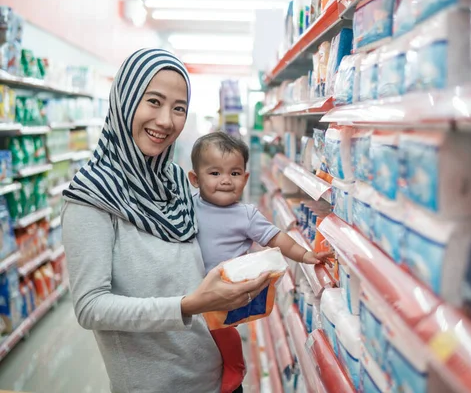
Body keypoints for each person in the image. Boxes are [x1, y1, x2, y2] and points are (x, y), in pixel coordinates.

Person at [61, 48, 270, 393]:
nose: (166, 121)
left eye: (178, 108)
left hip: (219, 378)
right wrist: (187, 306)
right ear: (124, 99)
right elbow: (90, 307)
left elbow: (193, 266)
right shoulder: (91, 195)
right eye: (153, 101)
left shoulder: (176, 179)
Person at [187, 132, 332, 391]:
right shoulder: (187, 206)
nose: (225, 181)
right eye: (215, 173)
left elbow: (278, 239)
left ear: (245, 178)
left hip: (224, 290)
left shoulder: (246, 216)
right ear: (195, 179)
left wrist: (305, 255)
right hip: (189, 286)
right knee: (197, 335)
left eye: (234, 173)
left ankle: (234, 367)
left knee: (223, 331)